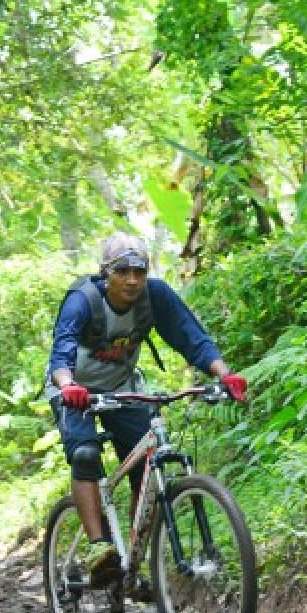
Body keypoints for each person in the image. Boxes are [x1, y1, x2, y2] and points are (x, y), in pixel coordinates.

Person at [45, 232, 248, 587]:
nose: (132, 280)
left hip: (122, 387)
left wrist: (225, 376)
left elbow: (191, 337)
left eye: (139, 271)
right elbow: (61, 352)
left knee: (147, 466)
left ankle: (136, 558)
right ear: (106, 273)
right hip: (74, 388)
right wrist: (68, 386)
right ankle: (98, 547)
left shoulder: (155, 297)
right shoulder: (83, 300)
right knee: (85, 455)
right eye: (122, 271)